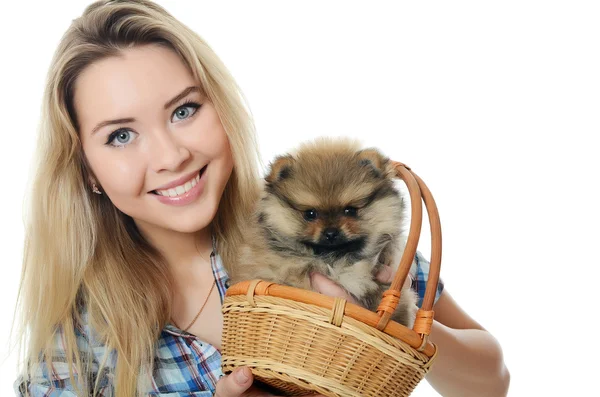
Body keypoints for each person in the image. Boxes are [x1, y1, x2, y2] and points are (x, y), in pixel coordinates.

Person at [14, 1, 510, 396]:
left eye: (184, 110)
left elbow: (492, 384)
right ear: (87, 170)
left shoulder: (333, 235)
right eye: (121, 136)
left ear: (221, 106)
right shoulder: (77, 338)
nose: (170, 155)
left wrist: (394, 326)